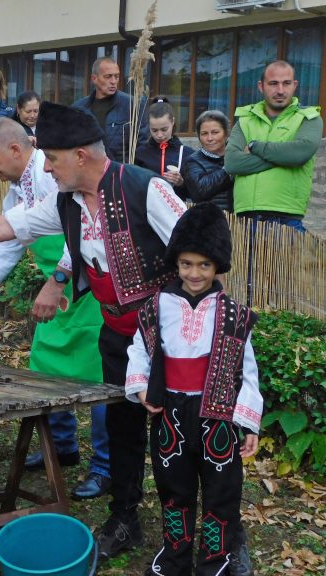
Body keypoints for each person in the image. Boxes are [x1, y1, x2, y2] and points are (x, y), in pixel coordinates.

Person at [0, 102, 187, 559]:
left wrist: (200, 331)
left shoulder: (145, 189)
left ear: (81, 156)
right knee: (125, 428)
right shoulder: (65, 203)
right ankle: (125, 517)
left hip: (169, 336)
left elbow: (202, 253)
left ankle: (187, 532)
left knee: (175, 435)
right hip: (117, 334)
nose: (45, 167)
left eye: (51, 158)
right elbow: (7, 227)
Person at [0, 117, 109, 498]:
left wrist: (57, 280)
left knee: (104, 381)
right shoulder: (15, 194)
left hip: (90, 292)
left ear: (15, 149)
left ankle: (106, 467)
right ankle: (61, 447)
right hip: (57, 295)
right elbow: (7, 244)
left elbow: (87, 229)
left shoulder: (53, 175)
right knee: (44, 366)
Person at [125, 202, 261, 576]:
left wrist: (248, 423)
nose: (195, 272)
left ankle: (215, 562)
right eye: (186, 264)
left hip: (217, 417)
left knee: (221, 492)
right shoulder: (157, 307)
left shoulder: (234, 314)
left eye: (204, 264)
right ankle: (174, 558)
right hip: (171, 413)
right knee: (174, 489)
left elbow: (247, 371)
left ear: (218, 264)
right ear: (177, 263)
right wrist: (139, 387)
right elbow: (139, 348)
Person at [224, 60, 322, 231]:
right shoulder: (245, 120)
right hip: (246, 217)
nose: (280, 90)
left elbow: (300, 153)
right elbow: (232, 163)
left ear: (295, 85)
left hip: (287, 217)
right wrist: (285, 156)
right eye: (273, 84)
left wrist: (255, 146)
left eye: (286, 83)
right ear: (261, 86)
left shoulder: (309, 118)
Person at [72, 56, 149, 163]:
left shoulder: (133, 105)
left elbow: (142, 147)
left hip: (121, 173)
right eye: (108, 77)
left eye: (116, 76)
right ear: (94, 78)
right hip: (87, 173)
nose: (113, 81)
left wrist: (131, 174)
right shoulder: (78, 108)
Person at [135, 97, 194, 201]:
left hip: (176, 212)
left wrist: (181, 183)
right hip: (147, 211)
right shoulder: (140, 153)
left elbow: (194, 193)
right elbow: (133, 187)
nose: (159, 135)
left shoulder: (186, 153)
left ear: (173, 122)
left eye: (164, 129)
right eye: (154, 130)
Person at [182, 110, 235, 212]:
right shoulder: (193, 161)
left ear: (226, 134)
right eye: (204, 134)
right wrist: (229, 169)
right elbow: (199, 191)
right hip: (210, 220)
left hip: (242, 221)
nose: (209, 138)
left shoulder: (236, 155)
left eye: (215, 132)